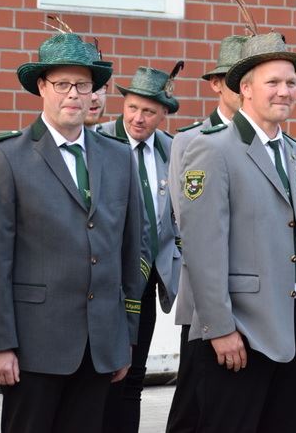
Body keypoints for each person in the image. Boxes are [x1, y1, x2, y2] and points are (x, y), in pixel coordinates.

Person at [0, 32, 147, 433]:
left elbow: (131, 250)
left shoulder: (118, 156)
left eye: (83, 85)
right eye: (62, 84)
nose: (73, 94)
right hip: (34, 348)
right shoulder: (6, 157)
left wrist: (125, 337)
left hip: (99, 346)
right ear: (42, 87)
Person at [173, 30, 296, 432]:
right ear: (245, 88)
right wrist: (220, 328)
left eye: (291, 82)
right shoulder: (213, 149)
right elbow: (202, 250)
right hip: (240, 330)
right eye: (273, 82)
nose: (285, 91)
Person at [98, 64, 182, 433]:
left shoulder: (171, 148)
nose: (138, 118)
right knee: (102, 375)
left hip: (147, 280)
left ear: (163, 113)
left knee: (133, 375)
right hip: (107, 279)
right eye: (132, 107)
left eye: (148, 111)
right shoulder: (100, 140)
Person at [166, 34, 244, 433]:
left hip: (259, 301)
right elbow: (188, 220)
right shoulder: (191, 140)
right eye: (235, 79)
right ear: (216, 84)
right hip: (206, 294)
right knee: (194, 402)